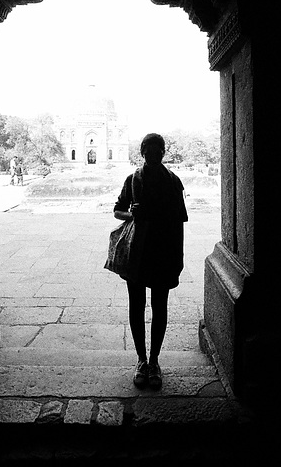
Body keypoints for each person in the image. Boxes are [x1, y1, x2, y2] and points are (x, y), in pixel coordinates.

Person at [113, 133, 188, 389]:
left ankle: (154, 360)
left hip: (163, 253)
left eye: (158, 152)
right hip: (138, 252)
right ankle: (141, 359)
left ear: (162, 153)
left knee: (159, 306)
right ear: (142, 152)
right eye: (149, 151)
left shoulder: (172, 182)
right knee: (137, 305)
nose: (153, 155)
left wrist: (177, 260)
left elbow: (179, 223)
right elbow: (117, 211)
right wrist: (131, 213)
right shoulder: (133, 180)